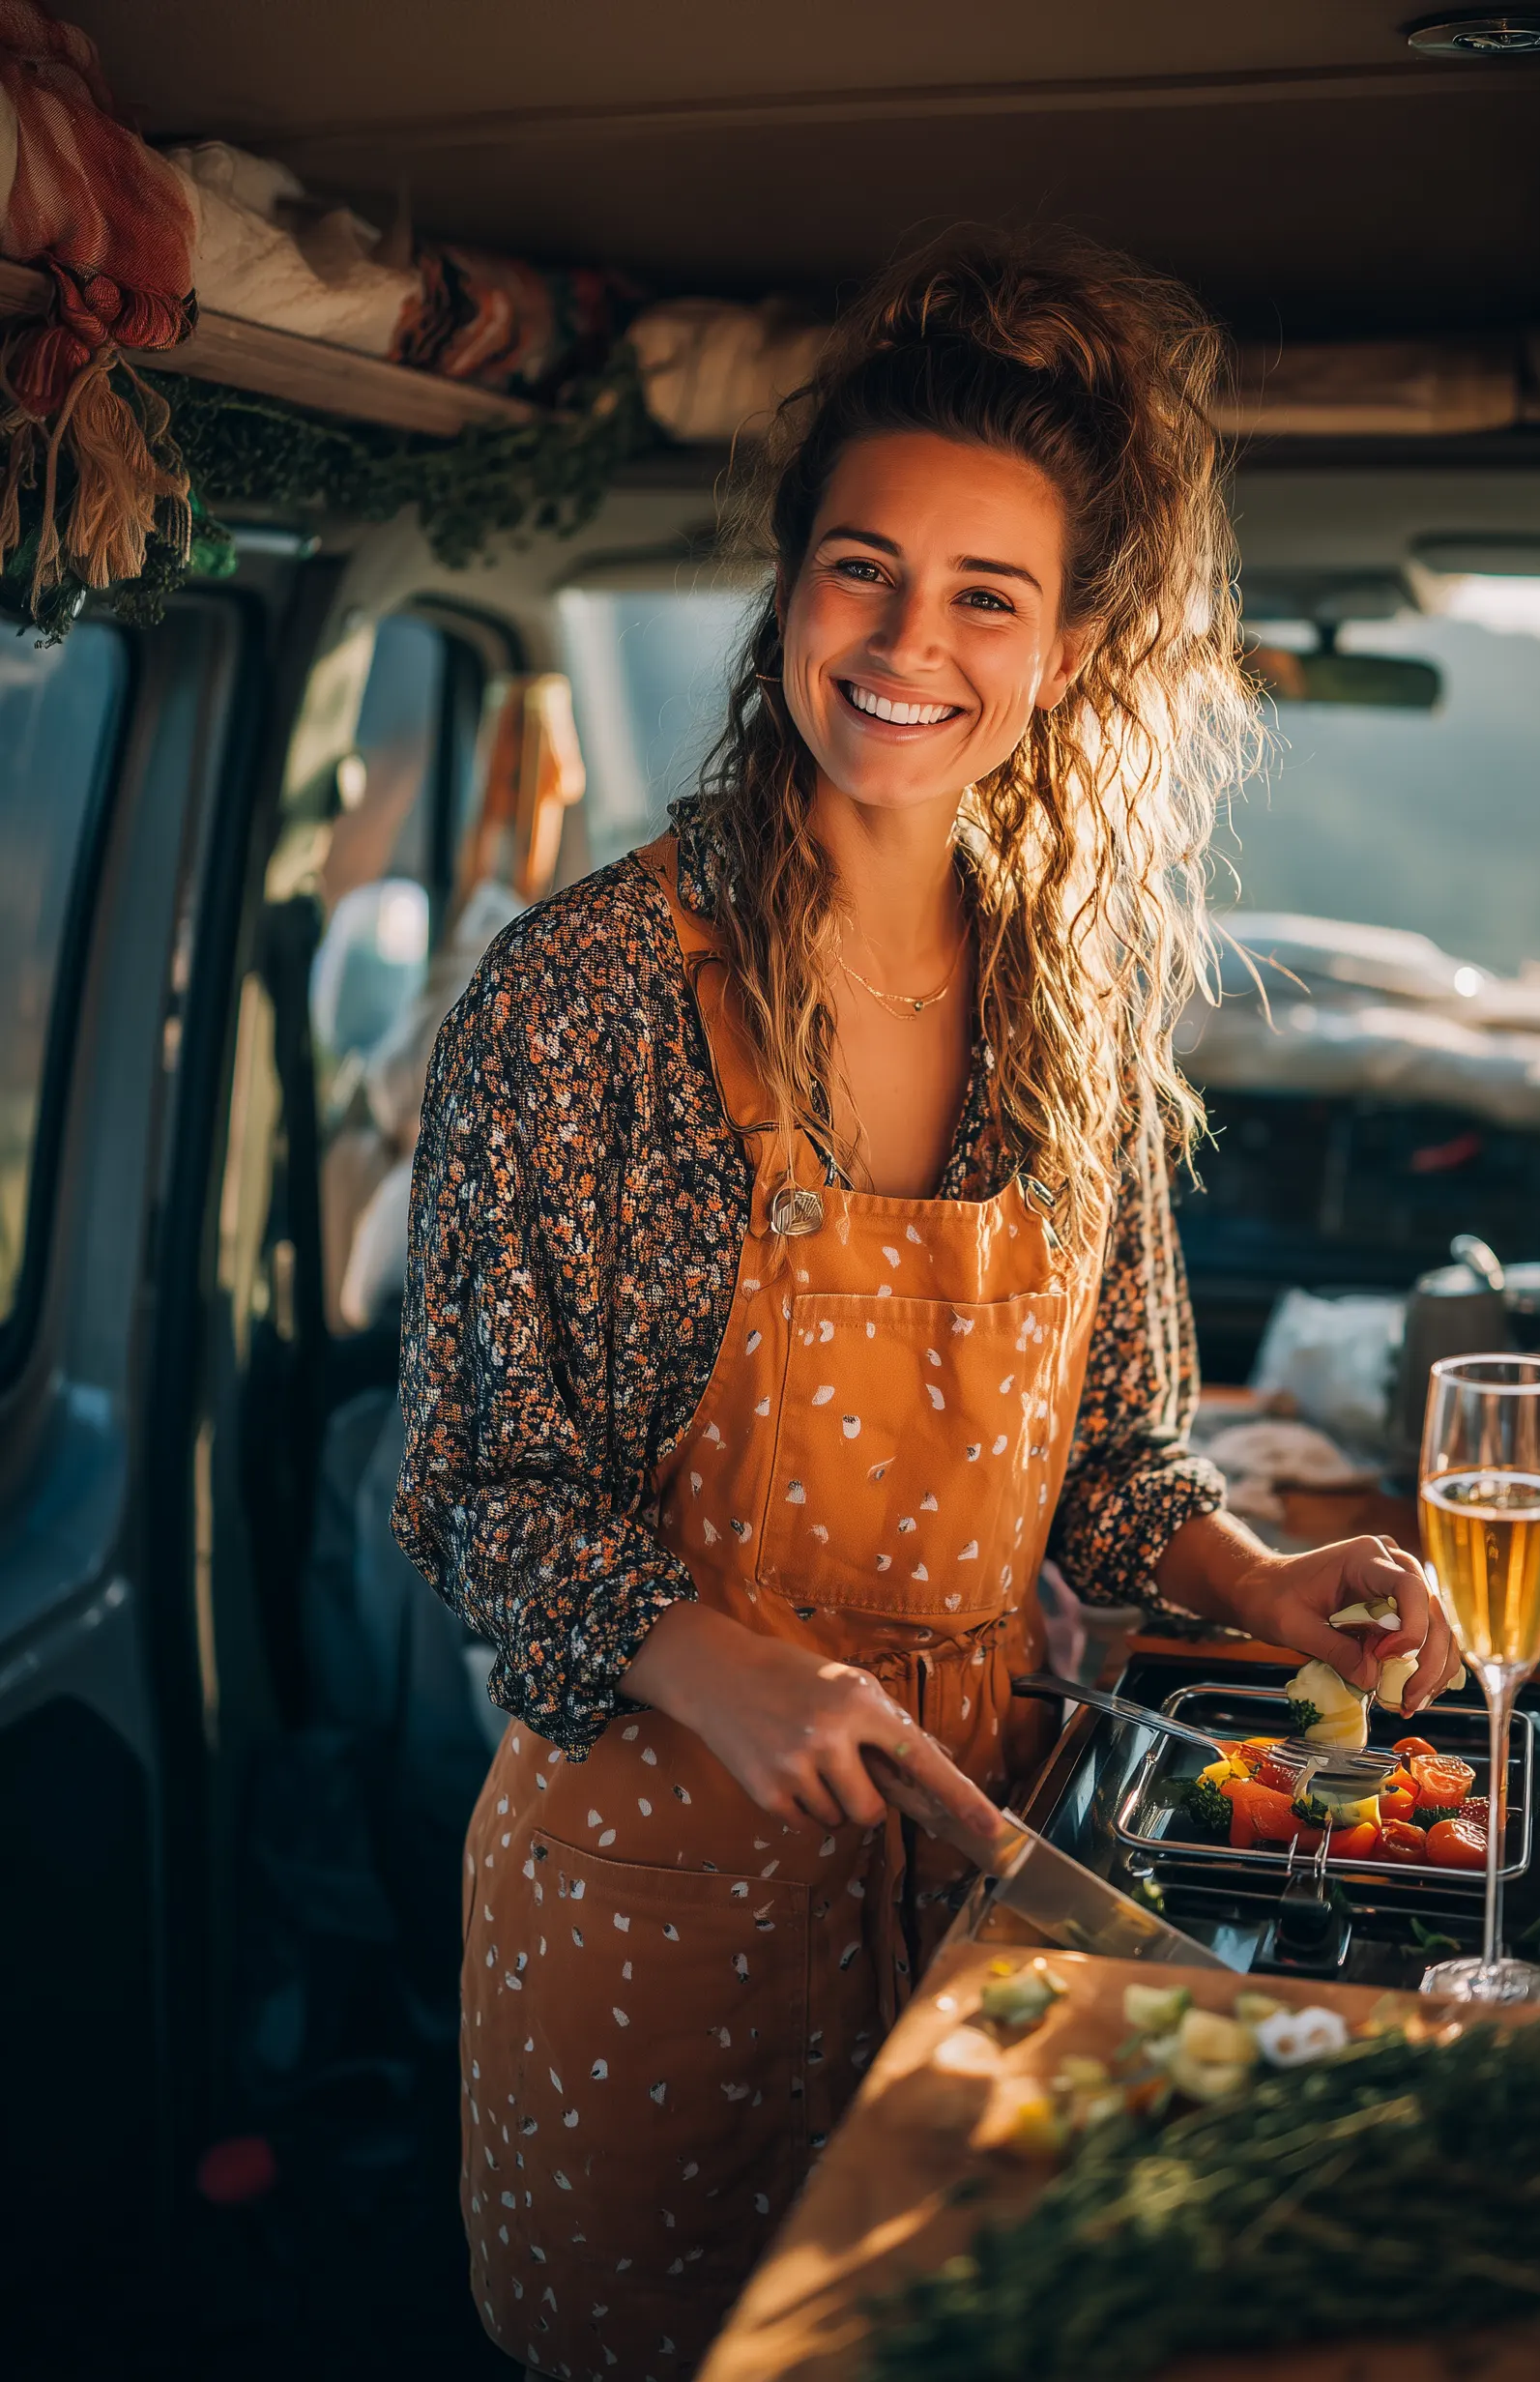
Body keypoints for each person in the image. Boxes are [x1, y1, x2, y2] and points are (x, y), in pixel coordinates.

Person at [392, 230, 1460, 2380]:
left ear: (1061, 654)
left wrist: (1260, 1579)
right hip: (648, 1892)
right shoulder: (584, 992)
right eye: (865, 568)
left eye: (988, 595)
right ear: (790, 590)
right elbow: (471, 1479)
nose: (912, 641)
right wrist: (714, 1659)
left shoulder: (1068, 1004)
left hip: (977, 1874)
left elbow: (1112, 1454)